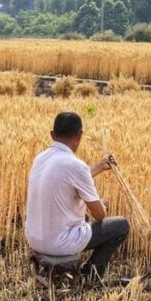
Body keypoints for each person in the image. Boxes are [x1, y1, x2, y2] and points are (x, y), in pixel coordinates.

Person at [25, 111, 130, 283]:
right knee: (120, 226)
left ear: (52, 134)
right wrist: (102, 204)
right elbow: (100, 215)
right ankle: (91, 277)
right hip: (58, 243)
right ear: (80, 135)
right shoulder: (76, 165)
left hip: (35, 238)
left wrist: (98, 167)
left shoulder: (40, 158)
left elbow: (64, 180)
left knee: (82, 214)